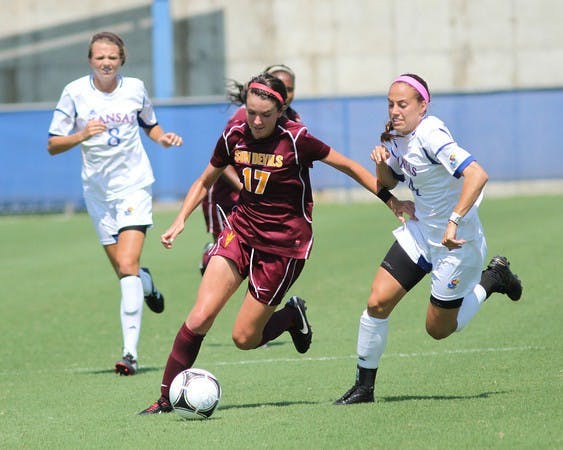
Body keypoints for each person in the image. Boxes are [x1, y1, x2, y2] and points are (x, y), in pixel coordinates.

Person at [139, 72, 415, 414]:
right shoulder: (234, 133)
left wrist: (392, 201)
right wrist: (180, 219)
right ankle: (165, 399)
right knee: (200, 316)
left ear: (281, 110)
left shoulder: (297, 139)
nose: (255, 121)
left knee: (244, 338)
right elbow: (205, 178)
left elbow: (349, 167)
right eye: (250, 112)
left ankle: (290, 317)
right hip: (239, 232)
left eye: (265, 115)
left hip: (283, 248)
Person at [334, 73, 523, 405]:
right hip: (421, 233)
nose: (394, 110)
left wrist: (454, 220)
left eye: (402, 104)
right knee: (377, 302)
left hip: (457, 243)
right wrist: (381, 164)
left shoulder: (430, 134)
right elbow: (390, 182)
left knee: (438, 330)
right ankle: (364, 388)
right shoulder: (396, 136)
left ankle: (493, 279)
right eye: (390, 104)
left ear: (423, 106)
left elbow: (477, 175)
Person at [47, 31, 183, 376]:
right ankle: (147, 283)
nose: (106, 63)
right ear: (90, 60)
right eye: (99, 57)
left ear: (122, 59)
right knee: (126, 271)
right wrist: (81, 135)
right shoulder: (74, 92)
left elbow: (149, 125)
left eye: (112, 57)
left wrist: (162, 139)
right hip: (97, 194)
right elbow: (53, 144)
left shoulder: (135, 88)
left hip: (134, 186)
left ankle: (130, 354)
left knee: (126, 266)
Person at [199, 64, 301, 275]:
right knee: (227, 256)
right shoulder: (246, 117)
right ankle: (210, 254)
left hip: (257, 200)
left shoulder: (292, 118)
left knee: (257, 260)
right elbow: (223, 162)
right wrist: (247, 188)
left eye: (290, 89)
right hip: (226, 196)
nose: (286, 93)